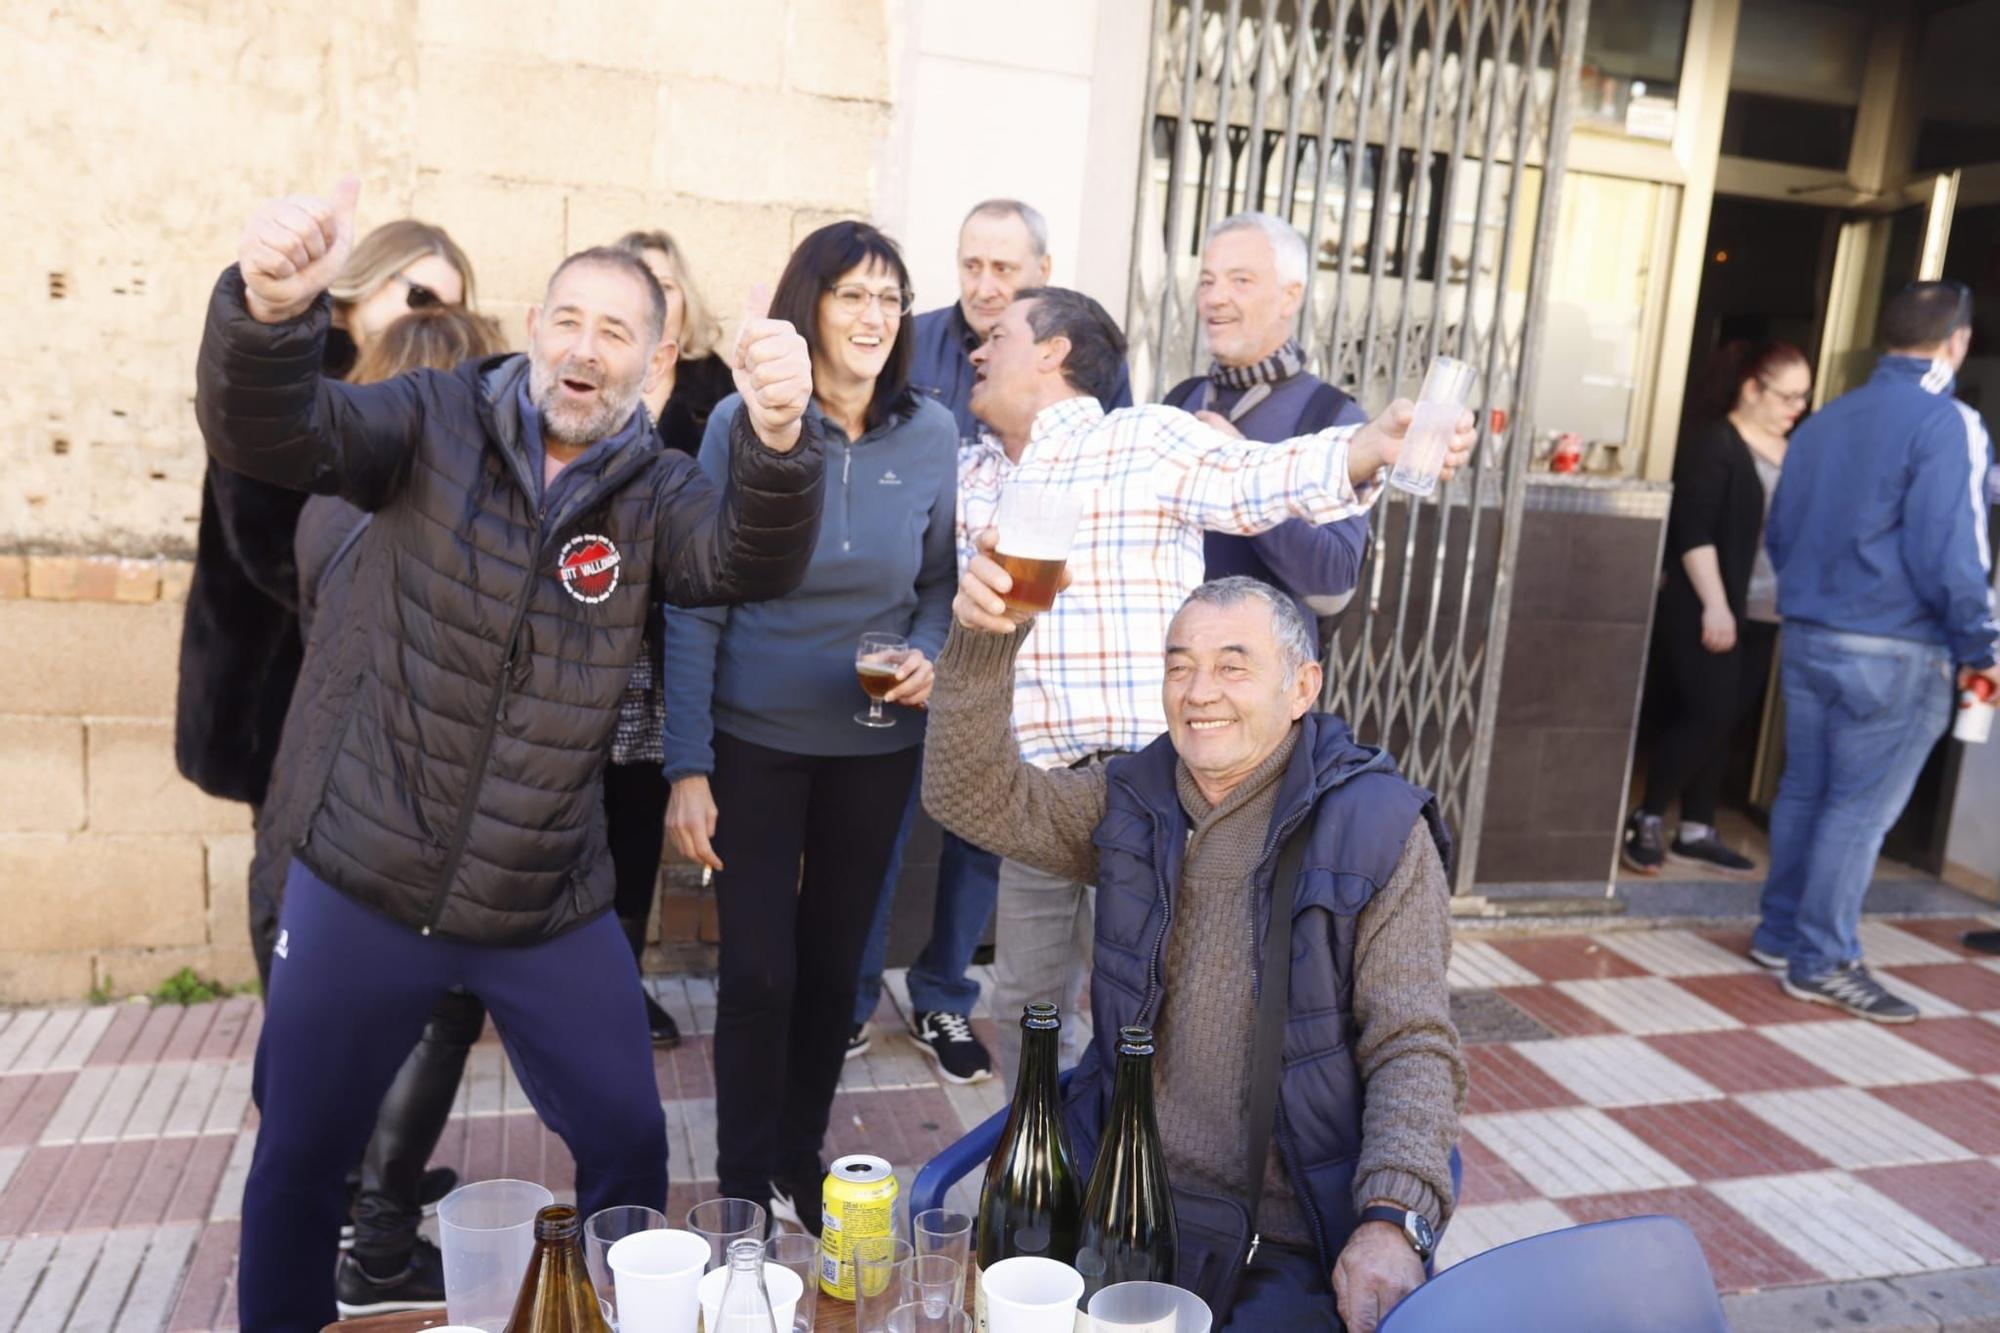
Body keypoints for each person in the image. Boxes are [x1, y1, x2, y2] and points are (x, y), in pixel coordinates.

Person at [200, 178, 825, 1332]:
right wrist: (266, 310)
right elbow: (277, 431)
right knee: (297, 1152)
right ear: (535, 330)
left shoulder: (657, 490)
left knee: (631, 1142)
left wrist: (781, 440)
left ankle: (595, 1317)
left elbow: (747, 559)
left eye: (618, 333)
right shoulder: (430, 419)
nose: (587, 350)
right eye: (570, 321)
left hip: (544, 895)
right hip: (367, 877)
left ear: (657, 360)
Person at [926, 562, 1464, 1333]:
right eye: (1180, 666)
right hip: (1119, 1198)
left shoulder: (1378, 831)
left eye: (1231, 666)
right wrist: (983, 641)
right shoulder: (1132, 800)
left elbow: (1413, 1043)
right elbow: (968, 794)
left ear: (1302, 687)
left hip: (1286, 1232)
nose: (1199, 691)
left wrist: (1391, 1217)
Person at [960, 285, 1473, 1078]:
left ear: (1054, 350)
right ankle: (1040, 1185)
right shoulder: (975, 473)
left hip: (1146, 789)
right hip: (1035, 792)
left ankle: (1148, 1187)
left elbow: (1253, 479)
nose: (975, 352)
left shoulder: (1140, 437)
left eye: (997, 336)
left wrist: (1366, 447)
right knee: (1026, 1009)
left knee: (1159, 1013)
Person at [659, 221, 957, 1232]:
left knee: (836, 969)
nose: (874, 317)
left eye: (890, 298)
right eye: (851, 296)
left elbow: (938, 583)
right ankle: (742, 1184)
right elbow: (694, 597)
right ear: (807, 307)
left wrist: (929, 650)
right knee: (755, 970)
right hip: (753, 737)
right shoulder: (743, 424)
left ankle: (797, 1156)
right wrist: (687, 767)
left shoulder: (930, 433)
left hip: (874, 740)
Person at [233, 305, 504, 1315]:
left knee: (330, 1042)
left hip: (310, 814)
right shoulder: (433, 507)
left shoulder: (327, 500)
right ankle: (377, 1242)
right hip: (396, 823)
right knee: (435, 1011)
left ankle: (358, 1210)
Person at [847, 200, 1140, 1082]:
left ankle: (943, 998)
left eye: (1002, 272)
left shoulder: (1077, 363)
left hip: (1015, 662)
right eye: (970, 265)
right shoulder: (915, 340)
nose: (982, 287)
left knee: (988, 843)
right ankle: (854, 1003)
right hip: (909, 631)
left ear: (1039, 274)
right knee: (879, 834)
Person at [1754, 281, 1999, 1021]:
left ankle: (1778, 932)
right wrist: (1980, 645)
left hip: (1809, 634)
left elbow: (1782, 531)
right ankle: (1822, 958)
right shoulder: (1947, 422)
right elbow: (1949, 548)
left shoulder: (1824, 420)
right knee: (1857, 812)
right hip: (1895, 648)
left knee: (1806, 789)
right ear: (1955, 342)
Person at [578, 229, 737, 1051]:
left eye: (667, 283)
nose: (658, 294)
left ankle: (621, 982)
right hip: (580, 640)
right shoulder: (589, 383)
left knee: (639, 823)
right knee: (571, 820)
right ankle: (554, 979)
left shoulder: (714, 393)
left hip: (664, 645)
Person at [1623, 339, 1811, 877]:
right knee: (1707, 713)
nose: (1796, 408)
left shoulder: (1795, 451)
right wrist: (1716, 605)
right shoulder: (1716, 444)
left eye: (1803, 398)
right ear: (1752, 389)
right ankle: (1648, 815)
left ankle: (1697, 830)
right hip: (1710, 606)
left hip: (1766, 609)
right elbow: (1693, 531)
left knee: (1728, 718)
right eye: (1787, 397)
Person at [1163, 211, 1372, 625]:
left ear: (1290, 296)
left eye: (1240, 280)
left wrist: (1239, 461)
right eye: (1207, 281)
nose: (1215, 297)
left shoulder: (1330, 417)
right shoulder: (1182, 399)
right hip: (1167, 669)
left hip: (1258, 681)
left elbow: (1332, 589)